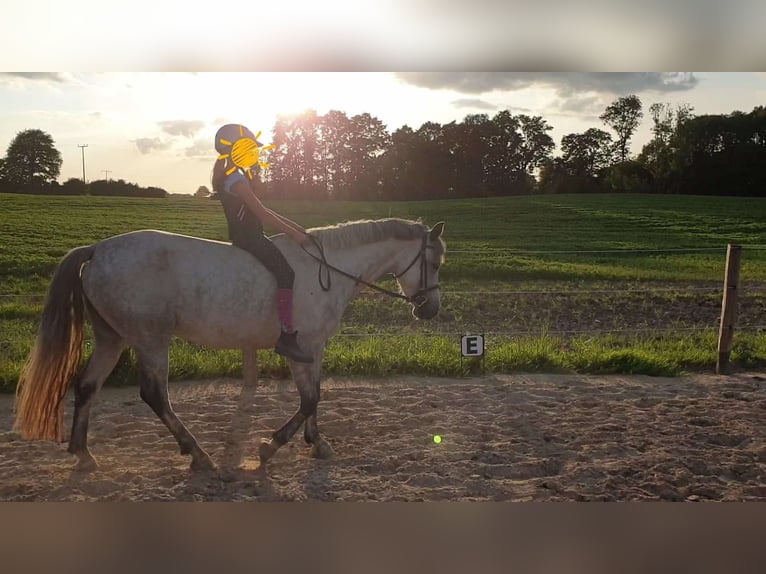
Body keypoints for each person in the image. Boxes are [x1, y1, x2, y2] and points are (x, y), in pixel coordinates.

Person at [212, 124, 313, 363]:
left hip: (251, 236)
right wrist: (296, 235)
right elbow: (262, 212)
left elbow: (264, 211)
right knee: (286, 273)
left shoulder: (234, 174)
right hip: (249, 238)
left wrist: (298, 229)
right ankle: (286, 337)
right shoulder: (235, 178)